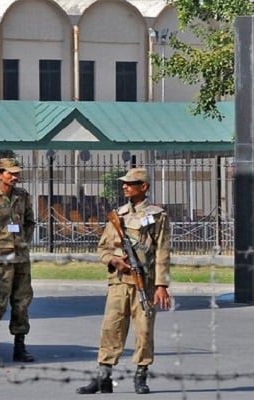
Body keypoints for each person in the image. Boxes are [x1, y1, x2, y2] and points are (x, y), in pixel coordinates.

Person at [77, 167, 172, 394]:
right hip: (119, 282)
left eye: (130, 183)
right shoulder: (118, 215)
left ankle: (141, 375)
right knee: (111, 328)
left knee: (144, 330)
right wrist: (114, 260)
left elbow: (162, 252)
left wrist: (161, 286)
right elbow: (103, 247)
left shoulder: (157, 215)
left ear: (144, 187)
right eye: (124, 183)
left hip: (145, 284)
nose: (125, 186)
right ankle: (103, 375)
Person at [0, 158, 36, 363]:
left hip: (20, 257)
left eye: (16, 173)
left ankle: (20, 346)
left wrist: (23, 242)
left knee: (22, 302)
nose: (15, 176)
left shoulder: (22, 196)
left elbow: (30, 222)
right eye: (10, 173)